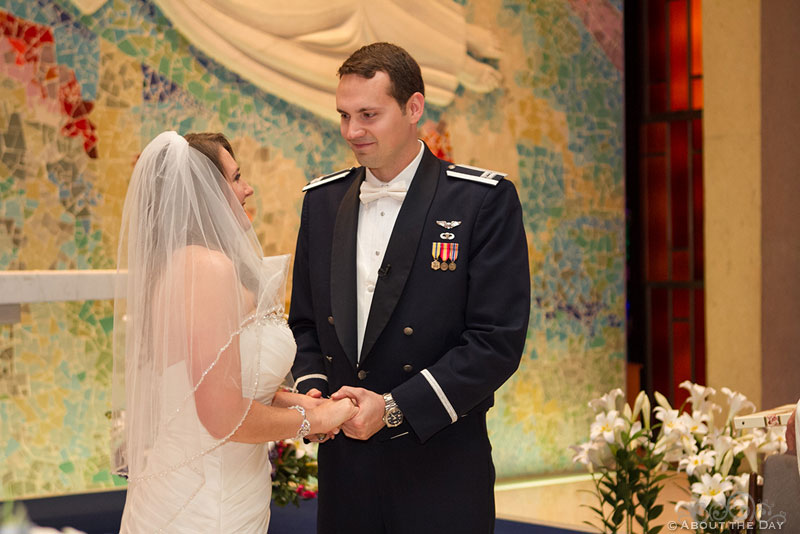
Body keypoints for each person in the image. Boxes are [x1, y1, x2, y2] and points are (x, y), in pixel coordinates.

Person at [289, 42, 531, 533]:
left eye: (369, 114)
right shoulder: (322, 201)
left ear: (413, 108)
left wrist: (395, 409)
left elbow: (495, 342)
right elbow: (306, 324)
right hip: (345, 473)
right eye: (344, 115)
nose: (352, 132)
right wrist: (314, 395)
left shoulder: (481, 200)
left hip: (440, 466)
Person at [111, 131, 356, 533]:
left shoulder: (187, 265)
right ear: (204, 192)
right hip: (204, 501)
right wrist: (316, 419)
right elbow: (222, 417)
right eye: (236, 178)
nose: (248, 189)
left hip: (227, 489)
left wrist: (299, 402)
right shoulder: (205, 270)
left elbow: (214, 382)